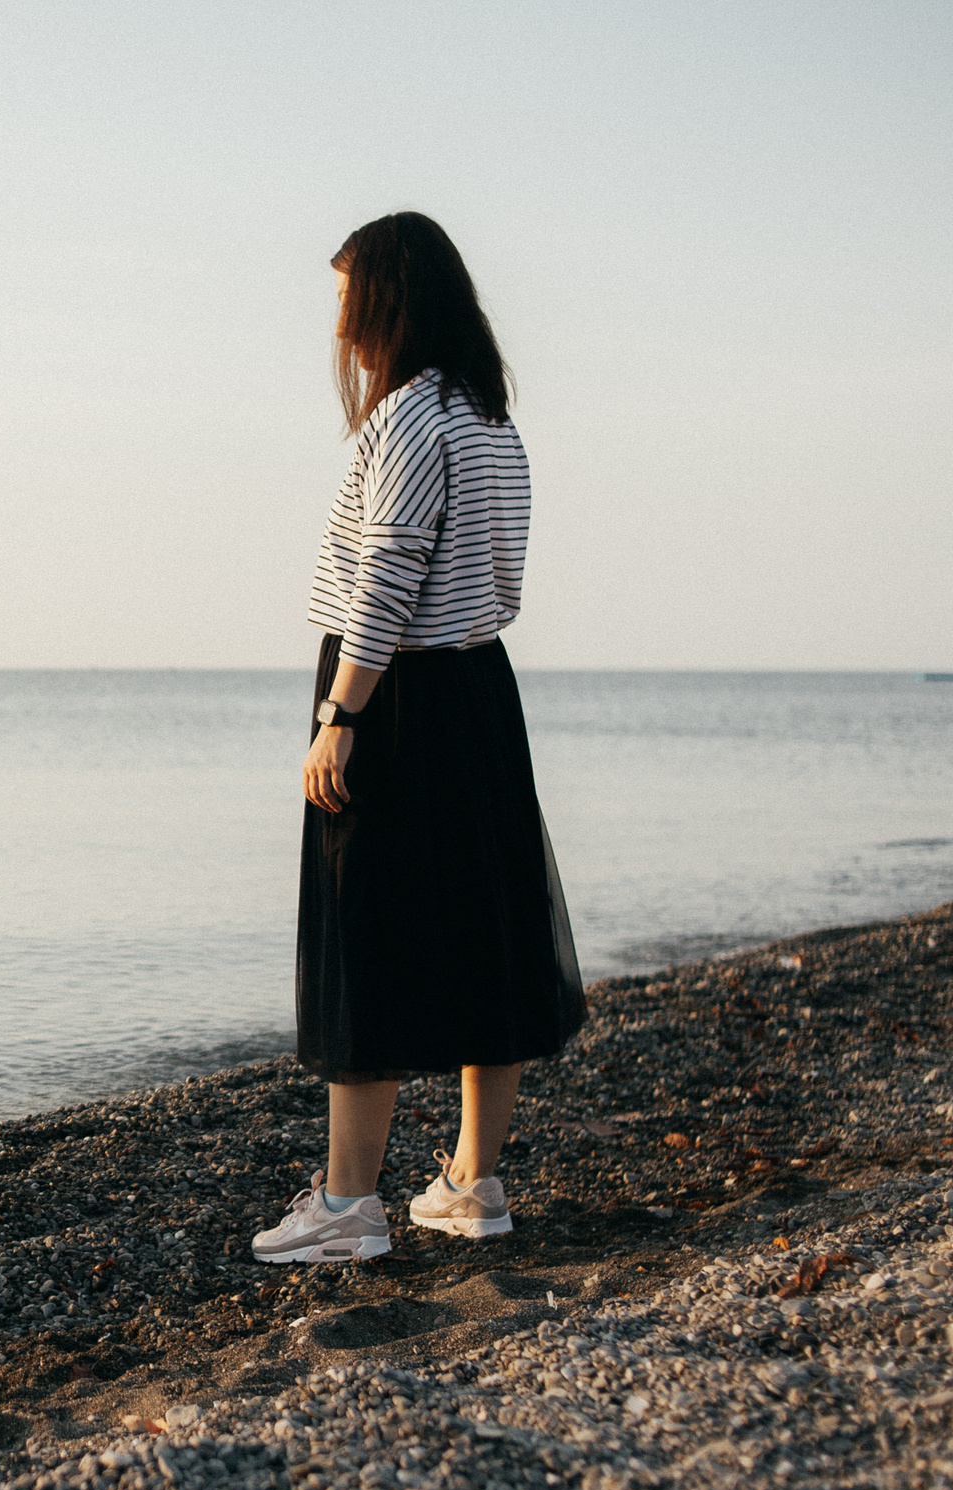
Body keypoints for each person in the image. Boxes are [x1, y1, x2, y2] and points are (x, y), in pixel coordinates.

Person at [253, 212, 585, 1265]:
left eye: (349, 297)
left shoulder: (404, 420)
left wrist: (338, 716)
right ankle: (470, 1183)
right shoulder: (491, 420)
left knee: (369, 935)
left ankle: (350, 1205)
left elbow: (386, 575)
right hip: (479, 693)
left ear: (388, 302)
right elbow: (496, 580)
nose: (340, 323)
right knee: (488, 927)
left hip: (394, 695)